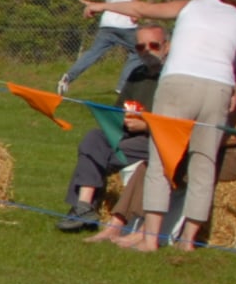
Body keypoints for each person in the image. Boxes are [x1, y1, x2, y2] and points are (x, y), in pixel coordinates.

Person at [81, 0, 236, 252]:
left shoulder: (192, 5)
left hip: (178, 82)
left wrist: (100, 5)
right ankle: (188, 240)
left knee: (162, 158)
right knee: (204, 163)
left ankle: (150, 239)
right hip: (218, 87)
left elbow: (142, 9)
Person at [57, 24, 168, 232]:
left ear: (167, 46)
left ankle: (81, 209)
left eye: (153, 45)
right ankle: (84, 205)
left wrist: (146, 125)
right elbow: (119, 109)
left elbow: (177, 124)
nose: (146, 51)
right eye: (140, 47)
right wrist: (121, 119)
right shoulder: (137, 73)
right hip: (128, 131)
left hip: (156, 139)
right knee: (93, 139)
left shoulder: (173, 78)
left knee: (97, 155)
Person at [59, 0, 145, 97]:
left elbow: (109, 0)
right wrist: (134, 14)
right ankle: (122, 86)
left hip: (107, 22)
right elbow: (134, 0)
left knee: (93, 52)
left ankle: (68, 76)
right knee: (138, 53)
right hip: (126, 24)